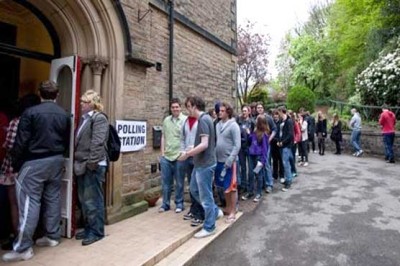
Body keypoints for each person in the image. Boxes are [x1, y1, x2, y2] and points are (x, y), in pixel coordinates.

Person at [2, 81, 70, 262]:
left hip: (34, 162)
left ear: (40, 93)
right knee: (53, 197)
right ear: (56, 94)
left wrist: (16, 166)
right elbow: (66, 139)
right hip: (56, 160)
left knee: (28, 202)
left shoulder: (30, 112)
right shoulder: (64, 114)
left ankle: (23, 247)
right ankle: (52, 236)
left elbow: (21, 142)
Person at [178, 96, 223, 238]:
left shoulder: (203, 120)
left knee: (205, 196)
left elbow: (204, 145)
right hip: (200, 163)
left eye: (188, 107)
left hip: (205, 164)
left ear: (194, 106)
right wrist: (191, 148)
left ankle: (209, 227)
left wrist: (187, 154)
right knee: (194, 190)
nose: (188, 110)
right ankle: (215, 211)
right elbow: (204, 142)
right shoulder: (205, 119)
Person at [0, 94, 40, 250]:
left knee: (15, 203)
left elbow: (9, 145)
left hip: (15, 167)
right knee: (31, 202)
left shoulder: (17, 122)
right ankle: (31, 233)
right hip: (33, 166)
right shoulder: (38, 122)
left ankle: (18, 236)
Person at [73, 90, 109, 246]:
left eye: (84, 102)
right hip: (82, 164)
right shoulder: (84, 119)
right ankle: (89, 228)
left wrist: (91, 164)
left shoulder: (99, 118)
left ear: (93, 103)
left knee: (92, 200)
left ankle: (97, 232)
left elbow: (98, 143)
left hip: (92, 165)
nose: (81, 104)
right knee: (84, 200)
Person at [159, 98, 187, 213]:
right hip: (167, 156)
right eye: (173, 107)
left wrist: (184, 153)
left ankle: (179, 203)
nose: (175, 109)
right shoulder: (166, 120)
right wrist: (162, 154)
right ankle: (165, 204)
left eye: (177, 107)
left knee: (179, 182)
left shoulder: (185, 120)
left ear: (180, 107)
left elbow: (188, 137)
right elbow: (163, 137)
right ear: (170, 109)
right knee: (166, 183)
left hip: (179, 156)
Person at [215, 102, 241, 223]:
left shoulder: (234, 125)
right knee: (224, 186)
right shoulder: (218, 125)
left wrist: (230, 160)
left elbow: (237, 145)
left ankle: (233, 211)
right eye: (219, 111)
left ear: (228, 112)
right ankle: (228, 207)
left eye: (222, 111)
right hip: (219, 161)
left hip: (230, 162)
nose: (220, 112)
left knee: (232, 187)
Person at [180, 111, 205, 227]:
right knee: (191, 185)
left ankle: (201, 213)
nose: (189, 110)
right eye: (188, 107)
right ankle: (193, 210)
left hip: (197, 157)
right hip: (187, 156)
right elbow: (182, 138)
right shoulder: (185, 121)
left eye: (191, 107)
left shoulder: (201, 121)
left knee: (197, 187)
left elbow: (203, 141)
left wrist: (194, 150)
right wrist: (183, 151)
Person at [242, 115, 270, 202]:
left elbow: (265, 149)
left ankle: (258, 193)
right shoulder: (255, 131)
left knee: (259, 175)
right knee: (250, 174)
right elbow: (251, 140)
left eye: (257, 120)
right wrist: (249, 133)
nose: (255, 121)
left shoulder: (264, 134)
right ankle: (250, 192)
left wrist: (262, 161)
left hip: (258, 157)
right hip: (251, 155)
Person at [255, 102, 276, 193]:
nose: (259, 109)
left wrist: (269, 139)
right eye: (258, 108)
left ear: (263, 109)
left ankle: (269, 184)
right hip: (258, 146)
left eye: (261, 107)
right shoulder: (255, 118)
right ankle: (263, 183)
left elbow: (275, 129)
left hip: (266, 145)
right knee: (260, 164)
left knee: (266, 164)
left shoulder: (268, 118)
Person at [236, 105, 254, 195]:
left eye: (245, 111)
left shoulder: (252, 122)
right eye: (243, 111)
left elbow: (254, 136)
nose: (244, 112)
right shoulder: (238, 121)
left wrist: (249, 133)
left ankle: (251, 187)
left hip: (250, 147)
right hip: (241, 147)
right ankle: (243, 186)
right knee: (243, 167)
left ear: (249, 112)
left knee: (250, 168)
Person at [276, 106, 294, 192]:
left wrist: (283, 142)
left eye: (278, 112)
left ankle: (288, 181)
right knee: (286, 162)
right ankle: (288, 178)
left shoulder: (289, 121)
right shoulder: (281, 121)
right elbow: (279, 133)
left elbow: (290, 135)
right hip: (281, 145)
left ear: (281, 112)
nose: (278, 114)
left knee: (285, 163)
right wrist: (279, 141)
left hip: (286, 145)